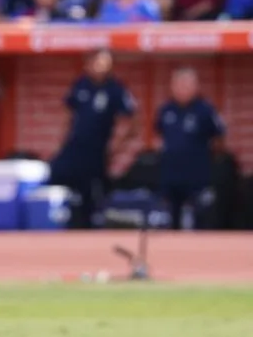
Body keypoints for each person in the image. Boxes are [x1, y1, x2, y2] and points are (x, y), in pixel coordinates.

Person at [49, 49, 137, 229]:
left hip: (97, 151)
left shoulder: (115, 89)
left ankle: (91, 236)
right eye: (96, 61)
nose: (99, 66)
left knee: (93, 198)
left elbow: (132, 123)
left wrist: (116, 147)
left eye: (104, 61)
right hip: (73, 149)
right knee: (57, 180)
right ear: (87, 63)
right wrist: (62, 140)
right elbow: (68, 114)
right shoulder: (80, 84)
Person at [155, 68, 225, 230]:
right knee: (171, 220)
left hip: (196, 175)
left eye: (187, 84)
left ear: (196, 86)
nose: (182, 88)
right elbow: (160, 135)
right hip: (171, 175)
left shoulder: (205, 110)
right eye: (178, 84)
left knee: (200, 219)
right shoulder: (166, 110)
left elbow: (219, 137)